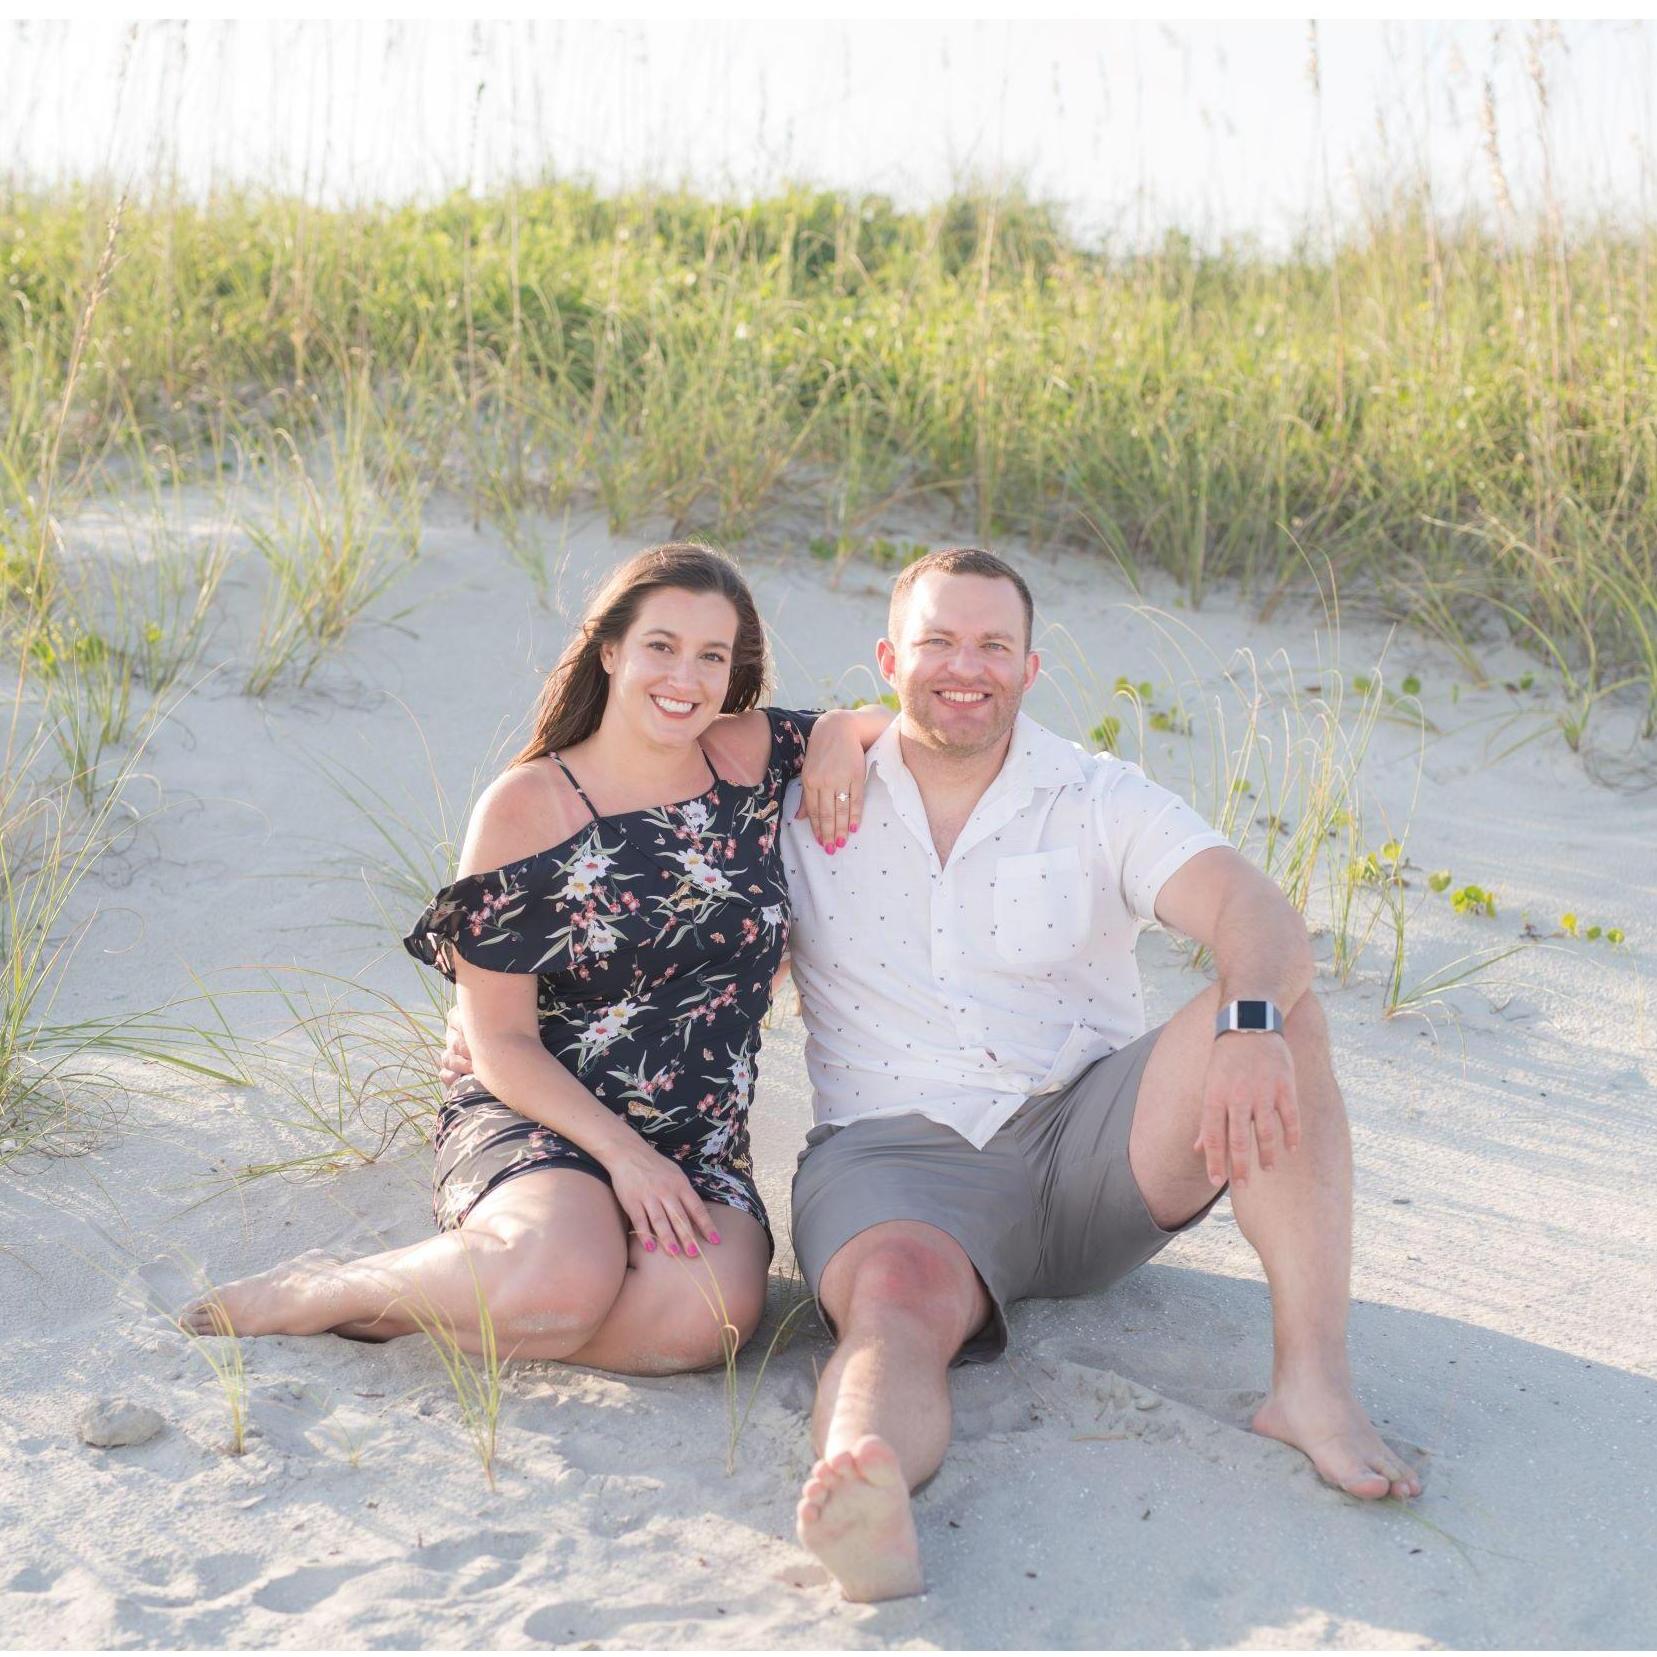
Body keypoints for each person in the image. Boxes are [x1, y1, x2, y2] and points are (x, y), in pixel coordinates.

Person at [440, 546, 1423, 1600]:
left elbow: (1253, 910)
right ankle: (864, 1486)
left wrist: (1250, 1022)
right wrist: (492, 1026)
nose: (967, 667)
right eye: (938, 642)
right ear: (888, 661)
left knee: (1279, 1010)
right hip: (893, 1164)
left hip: (1091, 1141)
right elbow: (647, 857)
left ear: (1030, 668)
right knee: (895, 1306)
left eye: (994, 644)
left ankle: (1311, 1385)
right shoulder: (800, 797)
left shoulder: (1092, 795)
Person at [181, 543, 888, 1375]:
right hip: (545, 1117)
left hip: (695, 1139)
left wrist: (839, 730)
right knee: (559, 1276)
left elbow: (901, 720)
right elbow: (501, 1041)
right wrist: (624, 1157)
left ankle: (508, 1305)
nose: (684, 676)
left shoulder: (749, 756)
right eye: (660, 645)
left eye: (711, 656)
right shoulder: (529, 806)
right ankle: (330, 1291)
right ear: (611, 649)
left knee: (705, 1323)